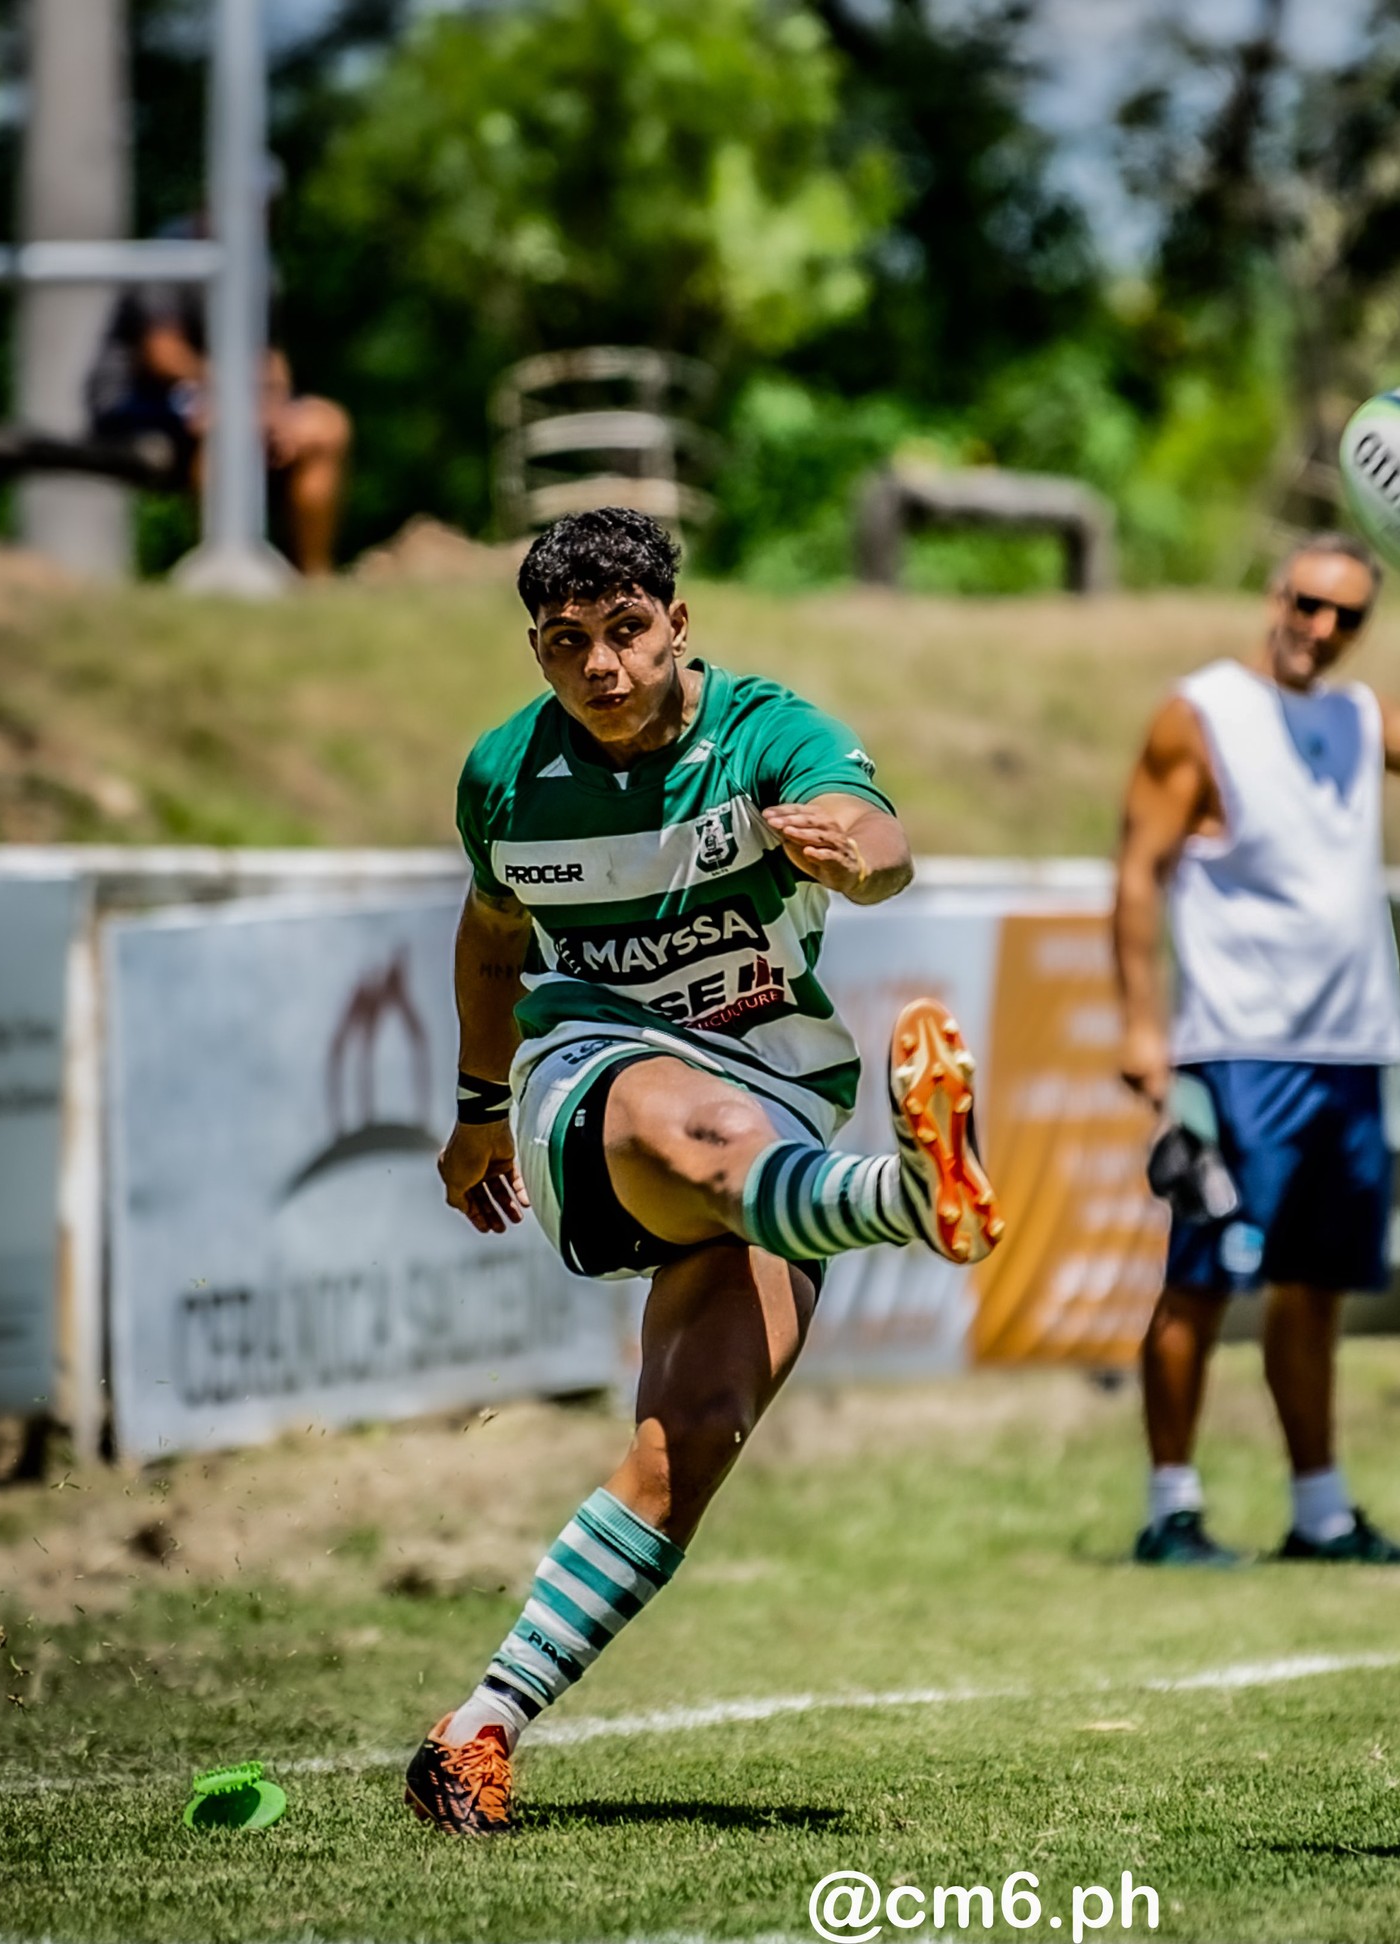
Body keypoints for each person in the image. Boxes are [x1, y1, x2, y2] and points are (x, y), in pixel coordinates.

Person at [407, 508, 1003, 1833]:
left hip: (781, 1097)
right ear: (538, 651)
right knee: (692, 1130)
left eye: (626, 633)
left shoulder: (764, 732)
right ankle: (905, 1200)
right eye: (568, 645)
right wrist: (474, 1107)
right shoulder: (504, 777)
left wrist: (862, 856)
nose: (602, 669)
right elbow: (494, 935)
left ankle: (477, 1730)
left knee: (691, 1446)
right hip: (592, 1084)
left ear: (679, 622)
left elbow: (878, 832)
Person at [1113, 531, 1400, 1568]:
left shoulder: (1357, 717)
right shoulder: (1201, 711)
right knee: (1204, 1280)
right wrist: (1139, 1025)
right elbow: (1136, 872)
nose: (1320, 628)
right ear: (1274, 593)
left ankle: (1320, 1515)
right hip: (1234, 1050)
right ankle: (1172, 1510)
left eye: (1346, 614)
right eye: (1307, 603)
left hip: (1347, 1050)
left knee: (1313, 1292)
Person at [86, 267, 351, 575]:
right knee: (224, 428)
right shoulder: (171, 257)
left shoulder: (258, 264)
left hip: (239, 404)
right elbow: (161, 354)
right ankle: (223, 567)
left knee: (326, 426)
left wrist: (274, 412)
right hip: (145, 408)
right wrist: (238, 396)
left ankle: (315, 578)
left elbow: (270, 356)